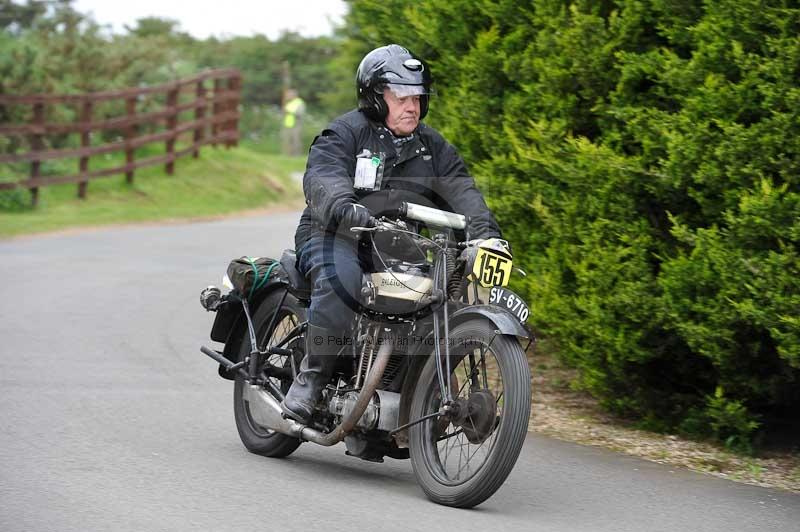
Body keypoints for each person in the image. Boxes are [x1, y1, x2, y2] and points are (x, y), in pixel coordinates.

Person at [281, 44, 504, 423]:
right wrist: (342, 207)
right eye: (400, 96)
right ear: (374, 97)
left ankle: (408, 398)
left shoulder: (432, 147)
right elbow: (323, 178)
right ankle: (311, 380)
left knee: (440, 302)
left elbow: (464, 192)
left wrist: (487, 237)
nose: (411, 106)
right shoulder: (345, 133)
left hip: (397, 242)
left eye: (417, 97)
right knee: (344, 282)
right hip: (334, 233)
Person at [282, 89, 306, 156]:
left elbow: (300, 114)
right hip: (288, 124)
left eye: (289, 95)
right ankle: (288, 155)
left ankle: (297, 155)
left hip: (296, 125)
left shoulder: (299, 102)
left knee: (296, 141)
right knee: (287, 141)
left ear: (294, 95)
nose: (287, 96)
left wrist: (289, 112)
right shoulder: (289, 102)